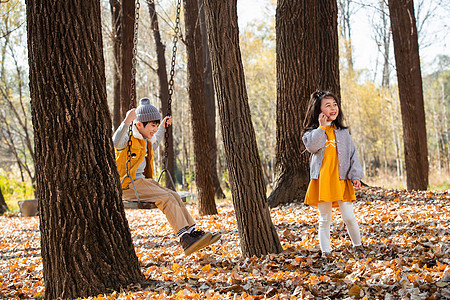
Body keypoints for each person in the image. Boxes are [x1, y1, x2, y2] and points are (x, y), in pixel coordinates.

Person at [113, 98, 221, 256]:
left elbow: (155, 144)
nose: (155, 129)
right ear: (139, 125)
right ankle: (184, 238)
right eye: (152, 126)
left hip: (142, 182)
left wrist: (163, 127)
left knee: (173, 195)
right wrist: (126, 121)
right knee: (166, 198)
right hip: (128, 185)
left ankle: (192, 231)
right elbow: (115, 142)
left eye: (156, 126)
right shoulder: (128, 138)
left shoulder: (145, 140)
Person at [302, 91, 364, 259]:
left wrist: (356, 176)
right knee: (324, 219)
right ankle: (326, 252)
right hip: (322, 182)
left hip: (341, 180)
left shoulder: (343, 132)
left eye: (334, 105)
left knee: (349, 216)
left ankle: (358, 246)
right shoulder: (312, 132)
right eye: (327, 105)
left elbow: (353, 155)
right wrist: (321, 127)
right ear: (319, 110)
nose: (332, 108)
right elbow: (313, 146)